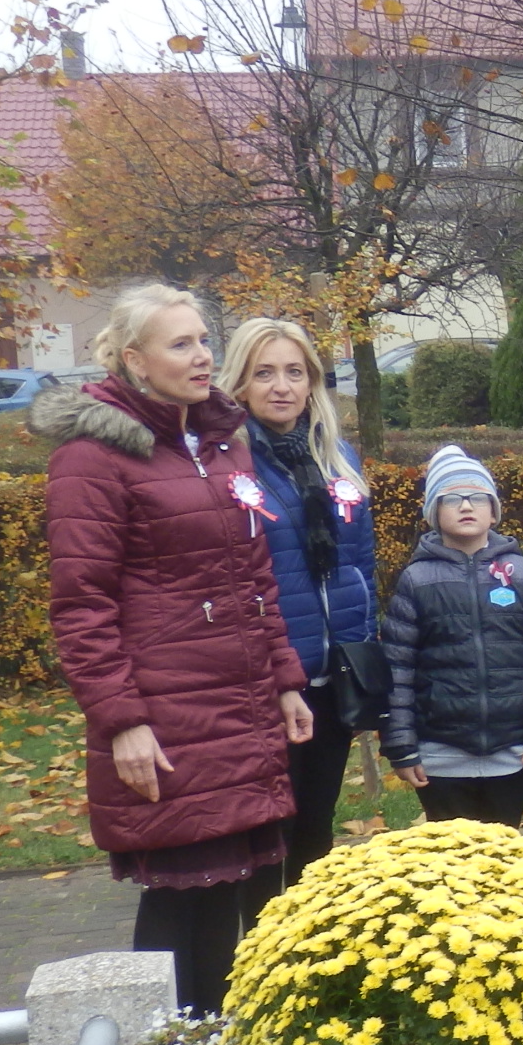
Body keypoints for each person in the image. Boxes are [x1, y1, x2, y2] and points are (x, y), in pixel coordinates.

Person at [35, 283, 313, 1014]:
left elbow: (255, 575)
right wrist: (121, 721)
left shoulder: (221, 444)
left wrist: (284, 679)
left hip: (239, 706)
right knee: (180, 891)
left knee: (229, 890)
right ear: (135, 359)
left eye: (204, 340)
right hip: (167, 713)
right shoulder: (93, 457)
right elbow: (82, 606)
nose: (202, 357)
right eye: (181, 343)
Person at [217, 315, 376, 885]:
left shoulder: (338, 456)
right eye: (264, 373)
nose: (281, 387)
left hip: (336, 675)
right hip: (269, 679)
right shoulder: (227, 464)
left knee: (315, 828)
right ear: (239, 382)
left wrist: (364, 648)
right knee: (270, 837)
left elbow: (361, 562)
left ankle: (308, 938)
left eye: (294, 372)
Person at [383, 446, 523, 826]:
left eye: (478, 497)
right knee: (450, 856)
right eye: (452, 498)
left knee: (503, 853)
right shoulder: (417, 579)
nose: (466, 506)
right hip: (440, 754)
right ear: (434, 512)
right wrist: (401, 744)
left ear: (494, 511)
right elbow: (397, 669)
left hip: (511, 752)